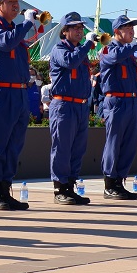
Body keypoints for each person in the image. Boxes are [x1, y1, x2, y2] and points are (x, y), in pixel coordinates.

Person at [0, 0, 39, 210]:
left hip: (18, 92)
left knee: (13, 145)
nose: (16, 5)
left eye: (17, 1)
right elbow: (6, 42)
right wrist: (26, 24)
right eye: (10, 2)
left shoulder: (16, 30)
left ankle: (5, 189)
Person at [48, 12, 95, 205]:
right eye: (75, 28)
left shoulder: (80, 52)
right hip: (64, 105)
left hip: (80, 106)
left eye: (81, 28)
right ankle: (60, 188)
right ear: (65, 31)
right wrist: (86, 46)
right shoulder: (60, 49)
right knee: (62, 148)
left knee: (77, 148)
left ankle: (70, 186)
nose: (80, 31)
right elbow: (70, 61)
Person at [98, 14, 137, 200]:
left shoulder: (128, 52)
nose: (131, 30)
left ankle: (119, 181)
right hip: (116, 101)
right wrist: (136, 45)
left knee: (129, 144)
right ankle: (109, 183)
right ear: (117, 32)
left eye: (132, 27)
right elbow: (114, 58)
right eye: (127, 28)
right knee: (114, 143)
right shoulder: (109, 50)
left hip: (130, 101)